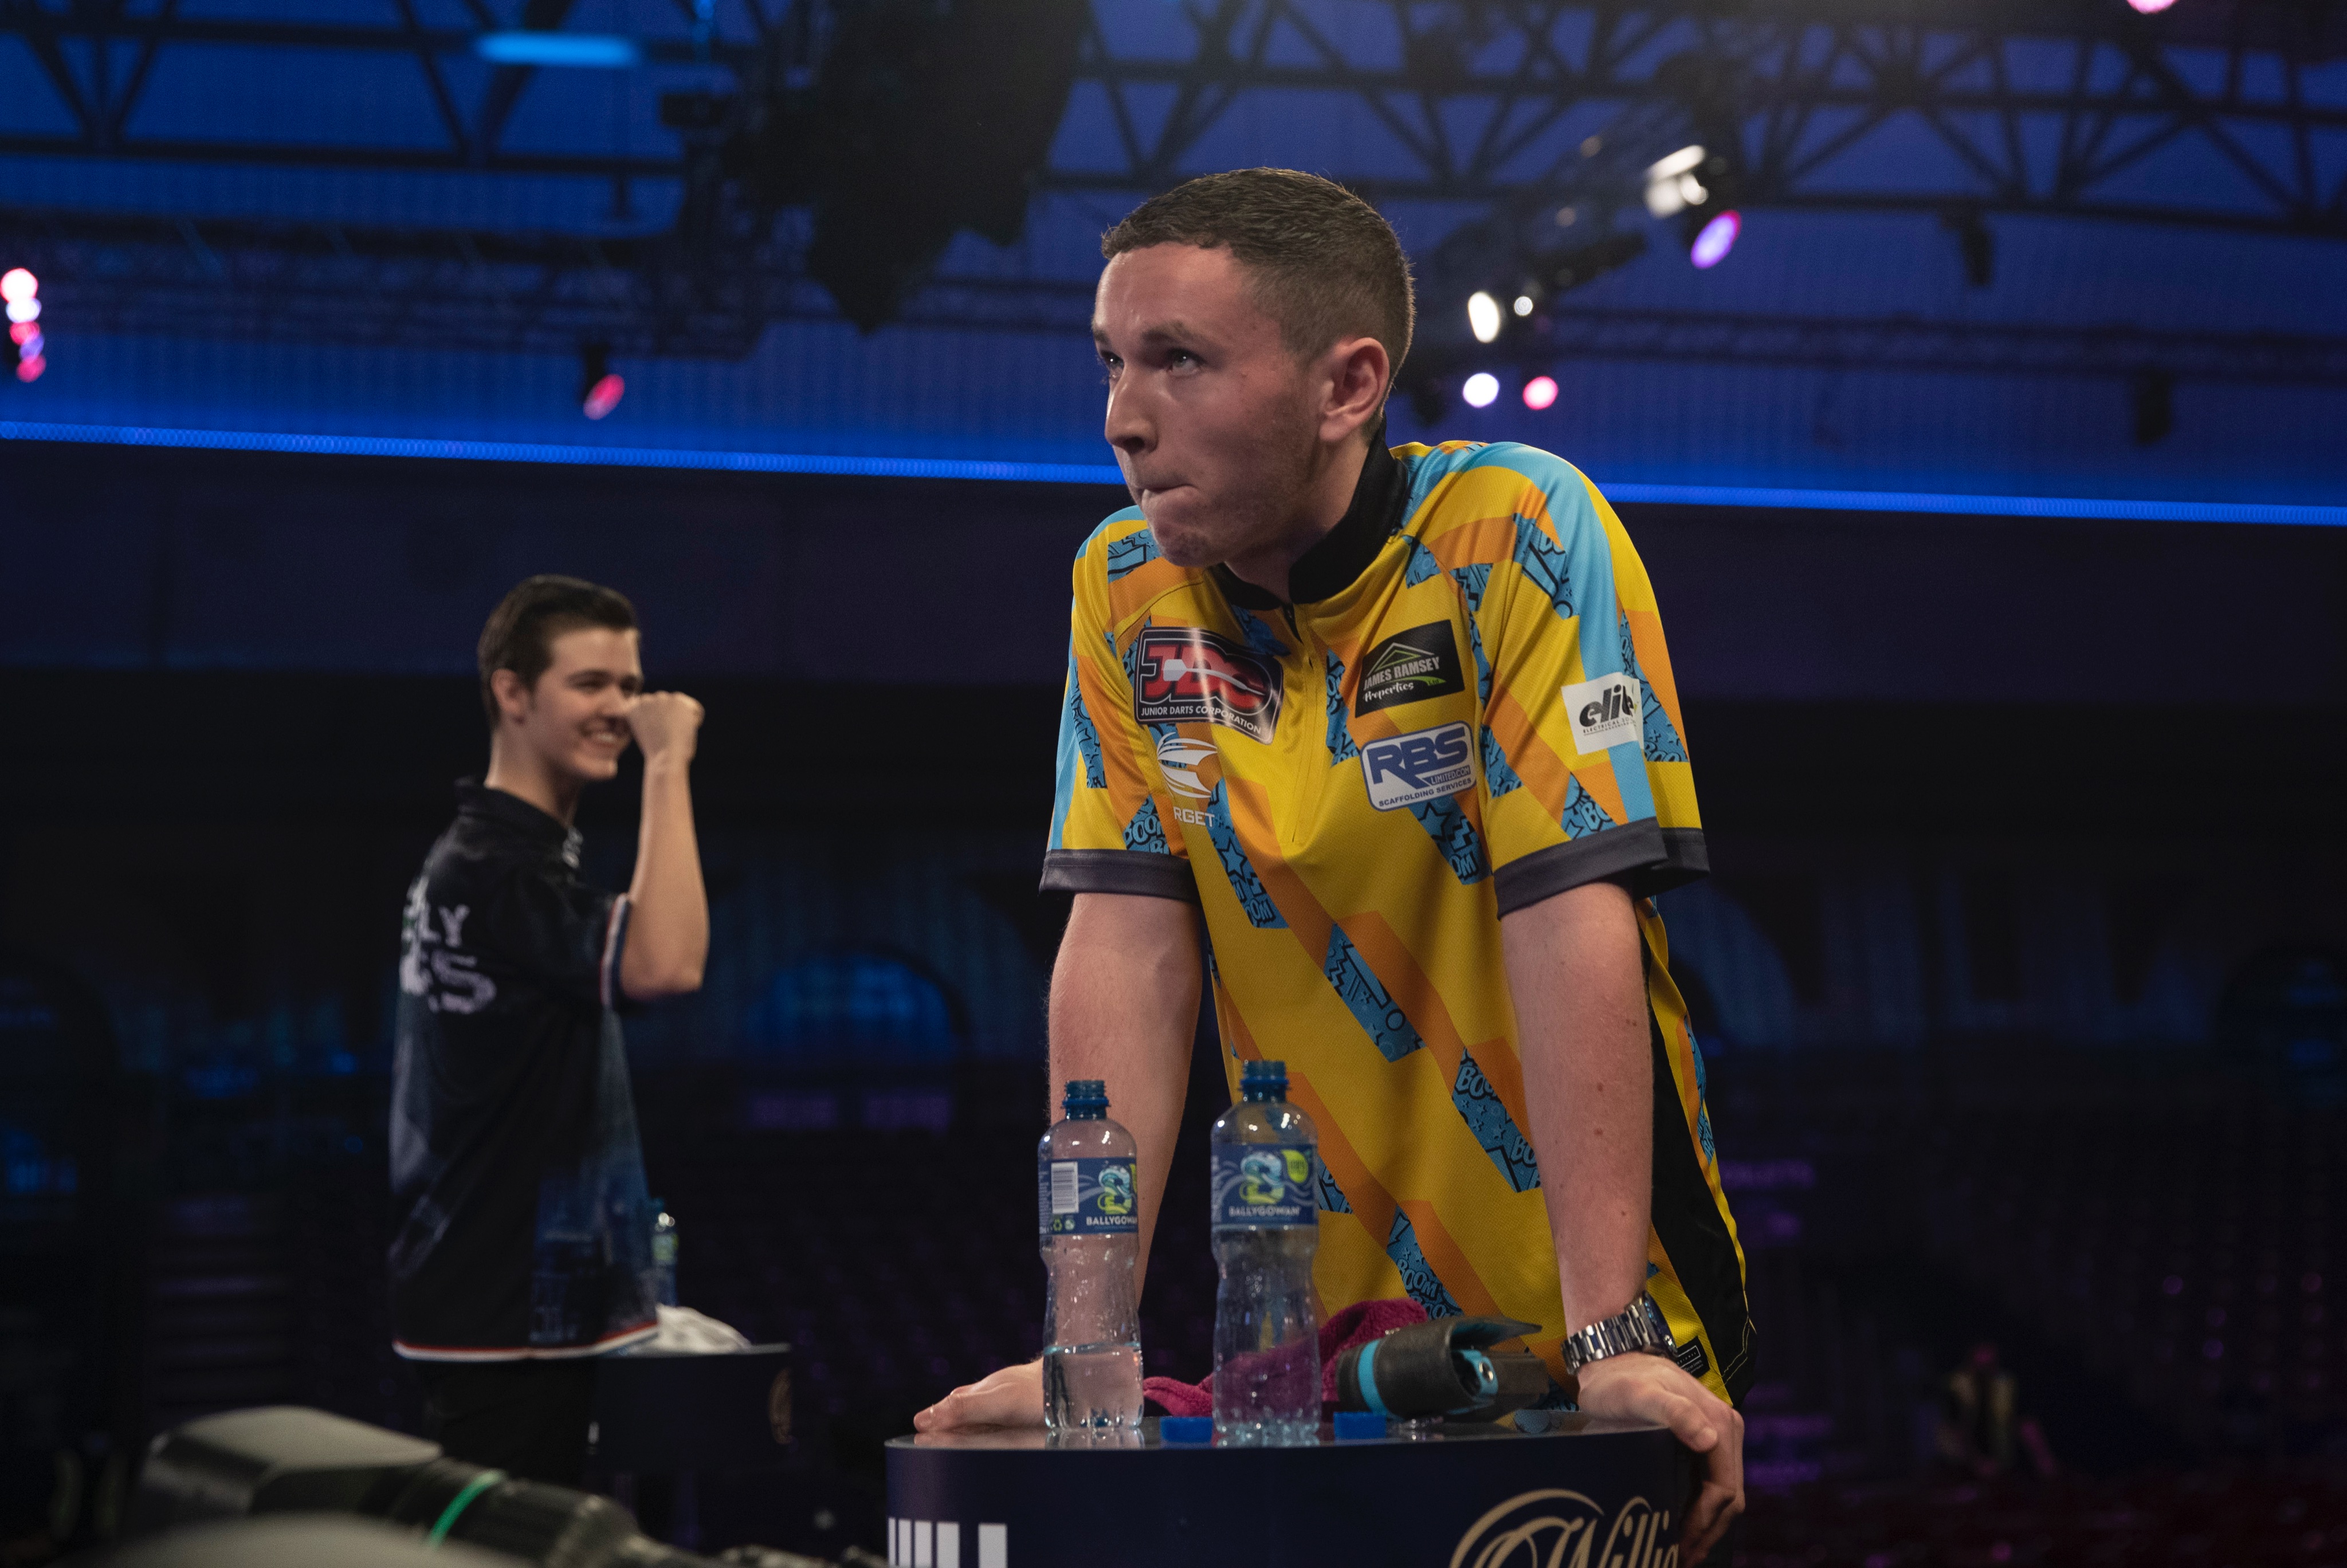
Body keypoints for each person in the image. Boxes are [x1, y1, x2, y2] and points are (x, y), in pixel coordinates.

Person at [915, 169, 1752, 1559]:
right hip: (1320, 1342)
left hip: (1589, 1312)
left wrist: (1606, 1334)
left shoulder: (1514, 527)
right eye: (1112, 362)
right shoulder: (1120, 586)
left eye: (1179, 360)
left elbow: (1568, 913)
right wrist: (1085, 1357)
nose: (1122, 416)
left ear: (1347, 385)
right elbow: (1125, 947)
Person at [388, 575, 708, 1486]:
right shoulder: (496, 866)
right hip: (509, 1318)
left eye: (630, 685)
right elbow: (666, 964)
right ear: (513, 692)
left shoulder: (492, 854)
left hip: (503, 1307)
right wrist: (669, 765)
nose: (622, 709)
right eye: (590, 683)